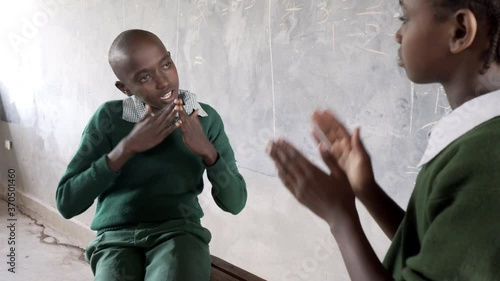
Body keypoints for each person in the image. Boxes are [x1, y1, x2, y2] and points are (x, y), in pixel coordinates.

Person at [268, 0, 500, 280]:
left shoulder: (487, 160)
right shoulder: (477, 140)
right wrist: (367, 190)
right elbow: (429, 243)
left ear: (460, 31)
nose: (397, 34)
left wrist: (339, 217)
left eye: (405, 18)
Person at [55, 29, 247, 281]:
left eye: (166, 64)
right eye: (144, 77)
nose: (163, 81)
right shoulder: (109, 119)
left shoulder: (204, 119)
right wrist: (126, 149)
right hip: (115, 239)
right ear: (124, 88)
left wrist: (209, 152)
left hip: (180, 234)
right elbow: (67, 203)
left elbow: (235, 203)